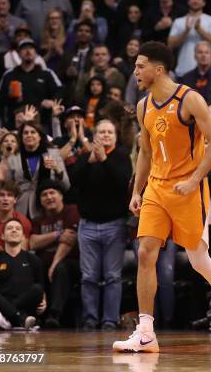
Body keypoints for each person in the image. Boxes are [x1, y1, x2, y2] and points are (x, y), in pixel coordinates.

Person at [113, 41, 211, 353]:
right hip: (157, 188)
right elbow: (146, 152)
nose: (135, 71)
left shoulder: (190, 99)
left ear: (158, 69)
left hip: (188, 188)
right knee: (145, 252)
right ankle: (146, 331)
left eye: (140, 66)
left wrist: (193, 180)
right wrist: (137, 189)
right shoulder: (143, 106)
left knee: (198, 259)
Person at [71, 119, 132, 331]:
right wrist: (90, 160)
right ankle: (89, 319)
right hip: (87, 226)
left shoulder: (122, 157)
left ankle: (109, 321)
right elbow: (74, 183)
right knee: (88, 277)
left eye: (109, 132)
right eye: (102, 132)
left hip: (114, 225)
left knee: (113, 277)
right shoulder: (85, 158)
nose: (106, 135)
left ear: (115, 136)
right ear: (95, 135)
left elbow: (122, 183)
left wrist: (104, 160)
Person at [0, 218, 44, 330]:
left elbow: (40, 285)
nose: (14, 230)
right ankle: (19, 319)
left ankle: (2, 319)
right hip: (1, 301)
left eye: (18, 229)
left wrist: (44, 300)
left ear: (23, 237)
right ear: (2, 236)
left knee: (37, 289)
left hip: (23, 303)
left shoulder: (34, 260)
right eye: (9, 228)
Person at [29, 180, 80, 328]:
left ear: (61, 196)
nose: (49, 197)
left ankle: (54, 315)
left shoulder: (71, 210)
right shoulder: (38, 219)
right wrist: (58, 234)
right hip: (43, 264)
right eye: (44, 195)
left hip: (70, 263)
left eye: (52, 193)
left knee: (61, 269)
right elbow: (32, 242)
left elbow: (70, 238)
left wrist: (55, 263)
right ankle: (34, 316)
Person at [2, 121, 69, 219]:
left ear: (40, 136)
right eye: (26, 133)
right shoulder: (13, 158)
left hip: (46, 209)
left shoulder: (53, 154)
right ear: (21, 137)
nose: (29, 135)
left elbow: (66, 185)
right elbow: (8, 187)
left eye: (33, 132)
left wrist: (57, 169)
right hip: (21, 208)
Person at [168, 0, 211, 77]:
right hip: (183, 70)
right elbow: (170, 44)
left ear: (204, 3)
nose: (195, 0)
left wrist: (200, 30)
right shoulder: (179, 21)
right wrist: (186, 31)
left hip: (205, 71)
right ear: (188, 1)